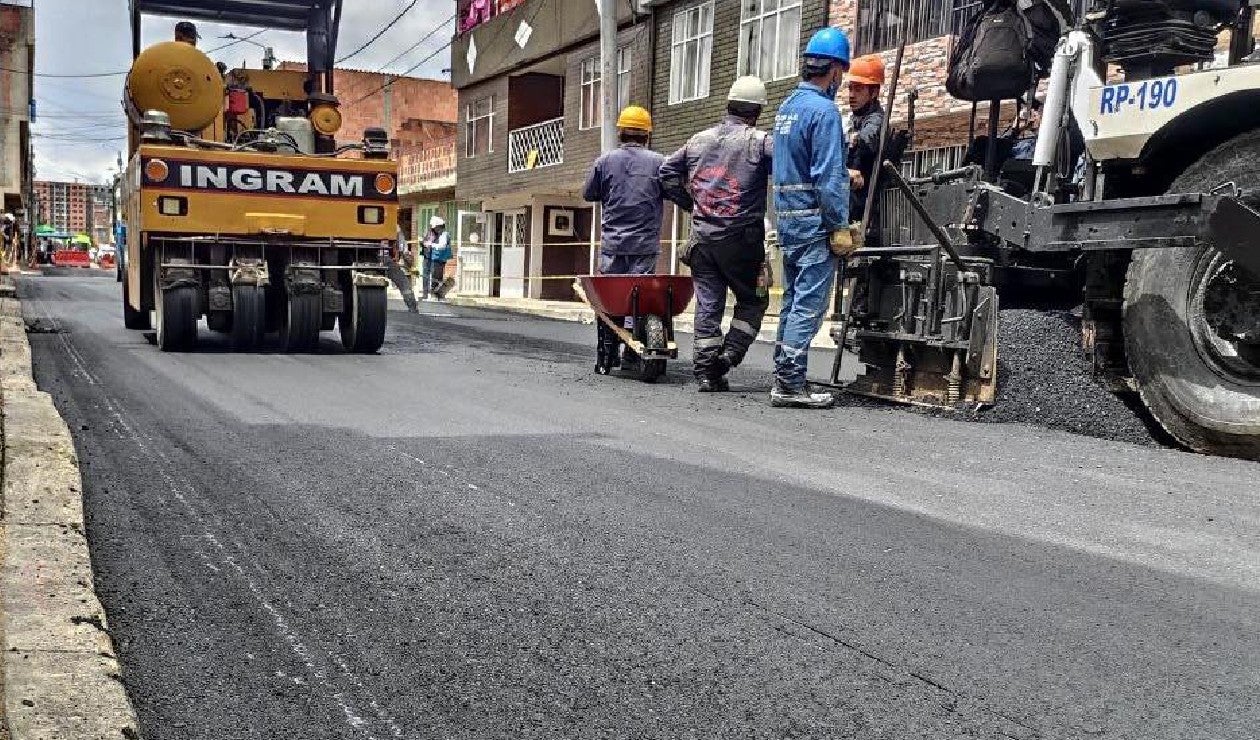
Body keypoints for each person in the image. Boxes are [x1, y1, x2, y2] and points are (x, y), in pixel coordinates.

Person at [660, 76, 774, 393]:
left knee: (708, 306)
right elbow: (790, 167)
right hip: (743, 242)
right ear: (757, 111)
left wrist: (691, 203)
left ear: (728, 104)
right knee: (754, 300)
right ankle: (729, 355)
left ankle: (706, 374)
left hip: (703, 242)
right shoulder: (759, 141)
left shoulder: (697, 140)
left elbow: (666, 173)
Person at [771, 26, 854, 409]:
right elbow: (827, 175)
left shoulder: (786, 107)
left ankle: (783, 375)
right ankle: (790, 383)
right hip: (814, 223)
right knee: (808, 303)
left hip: (788, 219)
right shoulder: (824, 112)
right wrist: (839, 225)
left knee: (791, 300)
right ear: (835, 70)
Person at [582, 105, 666, 373]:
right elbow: (676, 191)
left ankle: (605, 357)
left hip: (613, 246)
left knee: (609, 301)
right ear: (647, 135)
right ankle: (633, 352)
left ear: (620, 132)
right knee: (639, 301)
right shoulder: (659, 163)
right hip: (644, 246)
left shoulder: (604, 162)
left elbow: (588, 194)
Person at [845, 54, 886, 235]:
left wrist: (846, 139)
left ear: (874, 92)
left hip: (867, 212)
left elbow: (865, 139)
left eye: (859, 89)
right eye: (850, 88)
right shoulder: (853, 119)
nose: (852, 95)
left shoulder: (877, 120)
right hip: (849, 207)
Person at [388, 224, 419, 313]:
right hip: (386, 260)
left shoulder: (396, 230)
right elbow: (403, 249)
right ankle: (413, 308)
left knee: (403, 282)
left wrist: (410, 266)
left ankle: (413, 307)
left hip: (389, 261)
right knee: (403, 282)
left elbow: (403, 250)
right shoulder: (395, 229)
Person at [424, 216, 452, 300]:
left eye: (435, 227)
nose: (434, 229)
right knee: (436, 276)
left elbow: (442, 246)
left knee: (436, 276)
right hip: (437, 258)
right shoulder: (441, 234)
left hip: (439, 258)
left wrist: (431, 244)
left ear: (439, 226)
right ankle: (436, 293)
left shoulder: (444, 234)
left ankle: (436, 294)